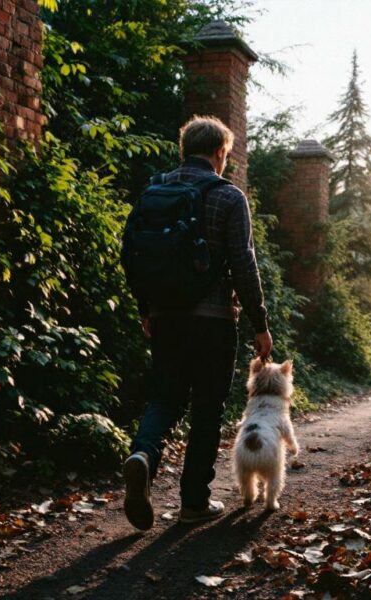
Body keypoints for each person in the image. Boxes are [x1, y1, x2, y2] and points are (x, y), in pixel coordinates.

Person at [123, 115, 273, 530]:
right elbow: (243, 264)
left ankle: (143, 455)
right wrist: (260, 323)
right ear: (221, 152)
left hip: (164, 317)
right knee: (207, 408)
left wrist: (146, 309)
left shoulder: (154, 191)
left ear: (184, 149)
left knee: (165, 397)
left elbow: (134, 256)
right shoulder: (228, 196)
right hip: (213, 320)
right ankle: (193, 502)